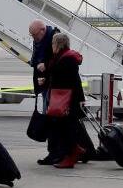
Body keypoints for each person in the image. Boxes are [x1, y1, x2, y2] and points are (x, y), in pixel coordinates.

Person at [37, 33, 86, 169]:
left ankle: (71, 154)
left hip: (66, 99)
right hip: (64, 97)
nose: (52, 46)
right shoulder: (62, 57)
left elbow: (74, 80)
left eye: (53, 44)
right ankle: (74, 150)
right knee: (63, 126)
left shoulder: (66, 59)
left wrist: (80, 99)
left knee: (64, 127)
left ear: (58, 44)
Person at [28, 20, 61, 166]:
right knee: (52, 120)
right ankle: (58, 151)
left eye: (35, 35)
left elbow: (59, 60)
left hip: (52, 87)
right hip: (44, 84)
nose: (34, 38)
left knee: (53, 120)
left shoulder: (55, 38)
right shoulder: (40, 40)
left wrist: (45, 66)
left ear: (42, 30)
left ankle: (55, 152)